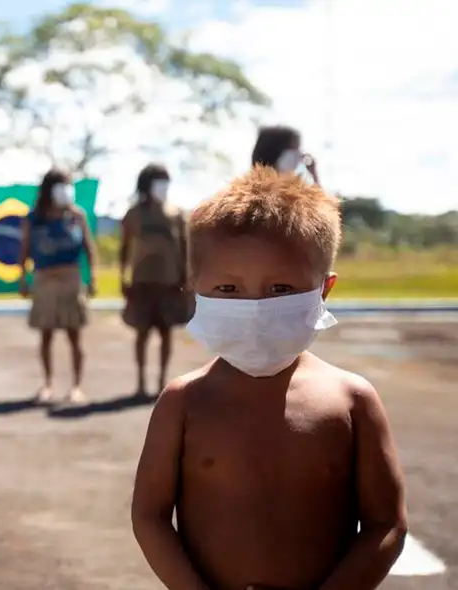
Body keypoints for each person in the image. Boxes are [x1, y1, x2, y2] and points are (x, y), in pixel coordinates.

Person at [131, 166, 407, 590]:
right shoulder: (183, 403)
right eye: (228, 290)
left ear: (324, 290)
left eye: (280, 289)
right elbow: (149, 516)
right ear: (195, 288)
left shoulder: (353, 401)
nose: (255, 307)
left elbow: (385, 524)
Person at [17, 169, 97, 404]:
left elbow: (89, 248)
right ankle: (47, 384)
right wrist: (23, 277)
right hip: (44, 280)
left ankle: (76, 386)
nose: (65, 190)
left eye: (68, 185)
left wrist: (92, 277)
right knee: (46, 335)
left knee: (74, 335)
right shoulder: (33, 218)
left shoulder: (76, 216)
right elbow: (24, 250)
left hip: (71, 280)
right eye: (60, 185)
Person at [119, 164, 189, 397]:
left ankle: (162, 380)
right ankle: (140, 382)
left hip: (169, 283)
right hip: (142, 282)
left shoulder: (177, 213)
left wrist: (186, 278)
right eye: (158, 181)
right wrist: (123, 277)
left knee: (166, 331)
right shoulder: (134, 214)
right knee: (142, 332)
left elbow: (185, 249)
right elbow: (125, 247)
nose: (163, 186)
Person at [251, 124, 321, 185]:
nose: (300, 155)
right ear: (274, 153)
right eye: (293, 149)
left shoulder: (292, 188)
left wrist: (314, 176)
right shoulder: (255, 193)